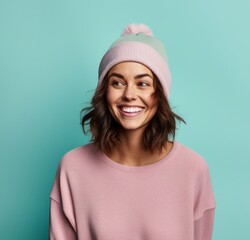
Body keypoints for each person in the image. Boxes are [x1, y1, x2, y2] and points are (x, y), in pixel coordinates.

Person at [49, 23, 216, 240]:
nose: (129, 94)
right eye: (117, 82)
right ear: (104, 91)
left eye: (143, 84)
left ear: (160, 93)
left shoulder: (193, 170)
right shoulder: (73, 168)